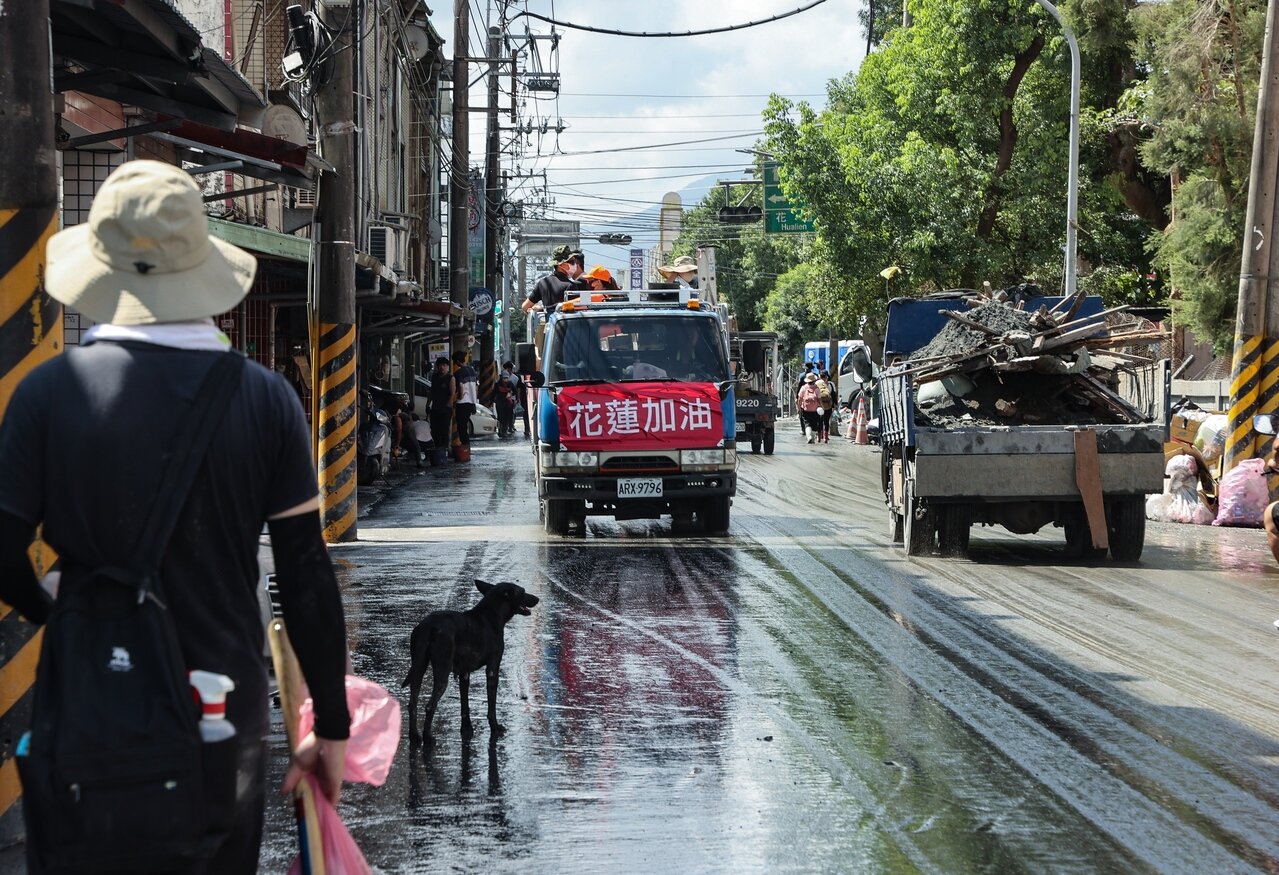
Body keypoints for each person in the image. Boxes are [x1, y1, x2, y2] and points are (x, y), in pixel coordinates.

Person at [0, 160, 350, 873]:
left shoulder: (46, 395)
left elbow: (1, 548)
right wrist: (331, 727)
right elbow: (305, 574)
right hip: (221, 718)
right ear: (201, 269)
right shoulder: (265, 400)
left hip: (87, 707)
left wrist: (56, 608)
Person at [523, 245, 584, 312]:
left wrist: (537, 308)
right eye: (572, 262)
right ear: (561, 265)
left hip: (548, 322)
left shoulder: (542, 283)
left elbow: (525, 307)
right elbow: (578, 311)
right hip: (564, 322)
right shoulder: (570, 286)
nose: (575, 264)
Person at [428, 356, 456, 461]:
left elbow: (452, 393)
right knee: (435, 430)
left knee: (444, 430)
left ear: (447, 367)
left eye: (444, 365)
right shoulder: (434, 377)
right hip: (435, 408)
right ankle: (437, 450)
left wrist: (448, 405)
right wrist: (428, 404)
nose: (442, 367)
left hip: (445, 409)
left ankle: (444, 451)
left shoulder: (450, 378)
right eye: (440, 365)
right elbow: (431, 392)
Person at [453, 350, 478, 453]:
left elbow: (461, 388)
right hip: (471, 402)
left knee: (461, 428)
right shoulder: (472, 370)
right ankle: (467, 448)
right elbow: (476, 387)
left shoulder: (458, 373)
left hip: (462, 403)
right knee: (465, 426)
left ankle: (465, 449)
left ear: (458, 361)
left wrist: (458, 397)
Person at [797, 372, 823, 444]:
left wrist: (799, 408)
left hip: (806, 409)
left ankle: (809, 437)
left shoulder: (803, 388)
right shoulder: (816, 388)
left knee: (807, 424)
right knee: (814, 424)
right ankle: (813, 438)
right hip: (815, 410)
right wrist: (821, 407)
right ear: (814, 380)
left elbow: (800, 399)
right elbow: (819, 399)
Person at [793, 361, 816, 431]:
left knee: (801, 412)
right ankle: (811, 428)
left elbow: (799, 387)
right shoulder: (815, 376)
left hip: (803, 396)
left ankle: (804, 429)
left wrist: (797, 397)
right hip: (814, 397)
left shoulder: (802, 376)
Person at [815, 369, 836, 443]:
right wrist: (834, 406)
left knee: (819, 420)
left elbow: (815, 395)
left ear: (819, 376)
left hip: (819, 405)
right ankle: (826, 438)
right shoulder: (831, 384)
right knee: (826, 421)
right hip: (828, 405)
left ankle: (819, 437)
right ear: (827, 376)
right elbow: (833, 395)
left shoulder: (817, 383)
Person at [494, 371, 517, 437]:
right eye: (504, 378)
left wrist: (511, 394)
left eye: (507, 378)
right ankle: (500, 430)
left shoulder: (510, 384)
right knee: (500, 417)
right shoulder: (497, 384)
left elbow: (515, 391)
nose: (505, 379)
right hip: (500, 403)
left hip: (508, 403)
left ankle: (504, 431)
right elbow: (494, 393)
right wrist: (492, 400)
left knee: (506, 417)